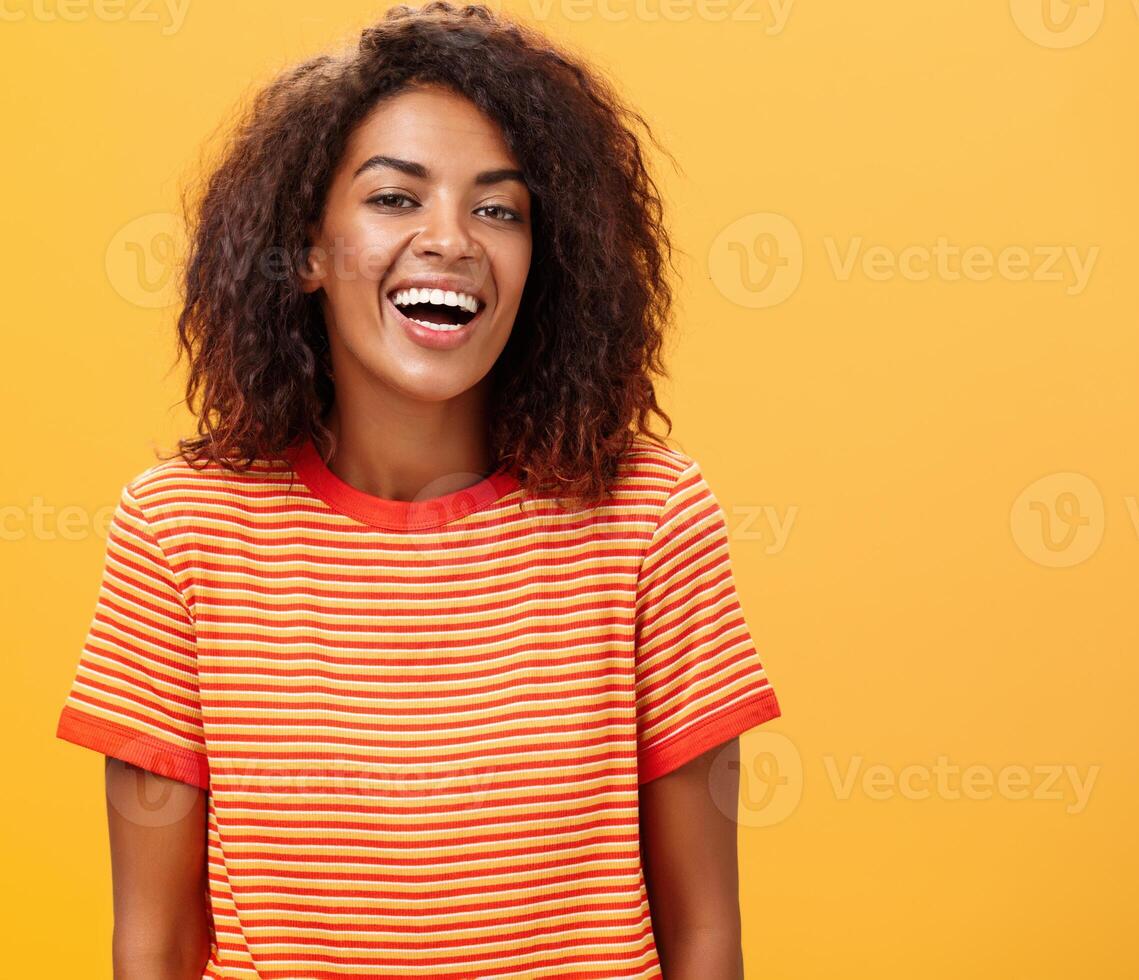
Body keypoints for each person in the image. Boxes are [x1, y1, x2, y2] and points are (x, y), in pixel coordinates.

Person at [52, 4, 782, 976]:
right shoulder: (180, 531)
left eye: (499, 208)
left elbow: (704, 935)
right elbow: (156, 940)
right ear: (305, 251)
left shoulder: (650, 516)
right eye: (395, 198)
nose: (451, 239)